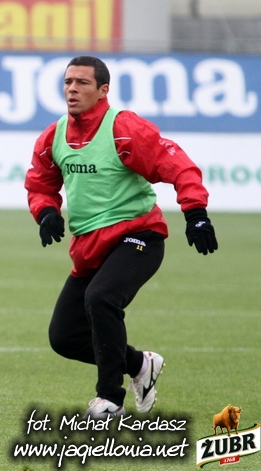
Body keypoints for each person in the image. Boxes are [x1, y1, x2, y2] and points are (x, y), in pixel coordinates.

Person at [24, 55, 218, 418]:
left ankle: (110, 399)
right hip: (90, 247)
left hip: (139, 236)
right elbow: (40, 184)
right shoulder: (54, 135)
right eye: (67, 82)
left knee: (101, 298)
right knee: (64, 337)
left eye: (82, 82)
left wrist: (195, 214)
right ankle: (140, 364)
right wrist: (46, 211)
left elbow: (179, 165)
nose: (72, 89)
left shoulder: (125, 128)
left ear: (103, 90)